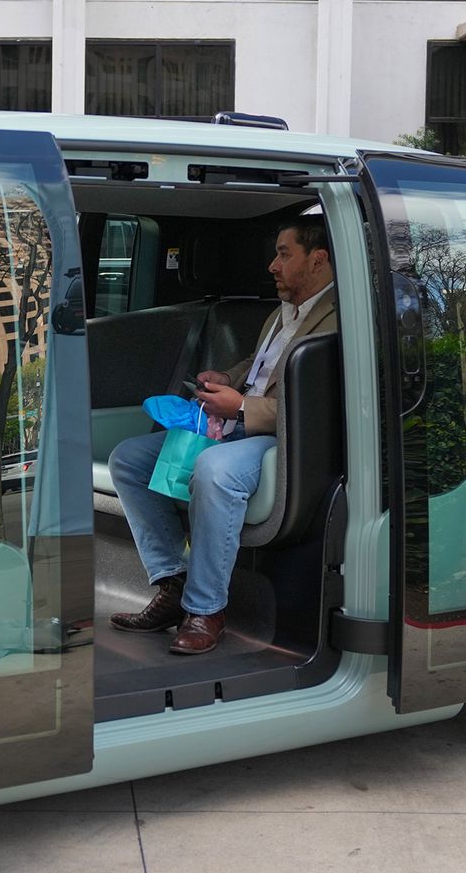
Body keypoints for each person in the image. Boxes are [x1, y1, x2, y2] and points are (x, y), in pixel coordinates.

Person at [106, 216, 338, 655]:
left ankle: (206, 609)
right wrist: (227, 378)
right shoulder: (284, 310)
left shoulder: (339, 321)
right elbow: (260, 363)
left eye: (284, 254)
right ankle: (173, 582)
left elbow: (318, 403)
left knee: (214, 468)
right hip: (235, 423)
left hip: (281, 436)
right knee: (128, 459)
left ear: (318, 259)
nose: (272, 265)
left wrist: (242, 408)